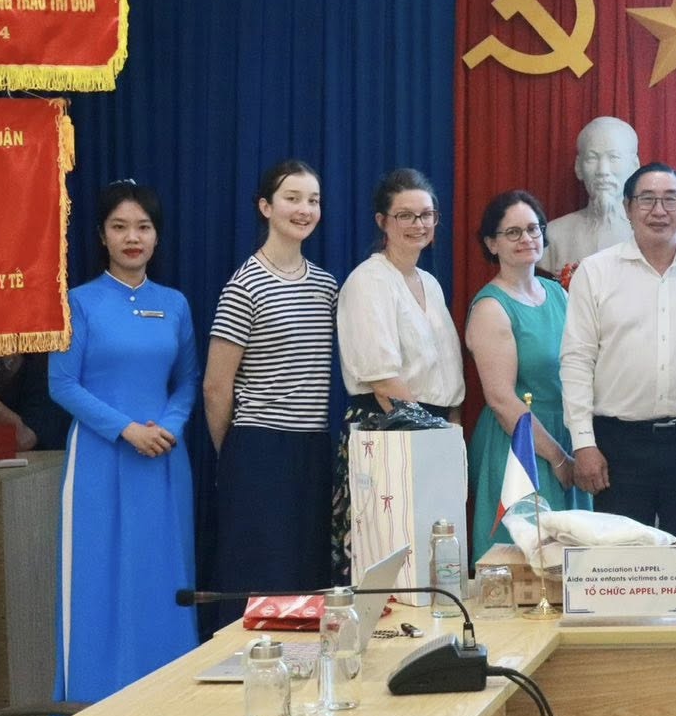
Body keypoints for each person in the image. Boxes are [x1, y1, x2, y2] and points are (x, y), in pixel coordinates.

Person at [47, 181, 198, 700]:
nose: (132, 237)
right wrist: (126, 429)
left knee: (161, 577)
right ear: (102, 236)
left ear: (157, 236)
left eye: (143, 227)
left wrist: (169, 426)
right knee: (97, 580)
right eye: (120, 227)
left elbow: (188, 381)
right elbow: (62, 384)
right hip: (99, 458)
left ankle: (168, 704)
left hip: (163, 458)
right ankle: (89, 703)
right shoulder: (78, 302)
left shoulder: (174, 304)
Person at [561, 162, 676, 567]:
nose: (659, 210)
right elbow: (577, 360)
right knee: (620, 568)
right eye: (647, 199)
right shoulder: (595, 272)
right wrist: (584, 443)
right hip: (618, 443)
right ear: (627, 207)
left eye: (671, 199)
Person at [203, 160, 339, 608]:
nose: (304, 209)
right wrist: (235, 453)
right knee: (259, 577)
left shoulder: (327, 287)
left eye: (313, 200)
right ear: (265, 207)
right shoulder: (244, 285)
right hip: (258, 447)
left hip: (313, 448)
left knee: (308, 575)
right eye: (292, 198)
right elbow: (216, 386)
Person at [335, 168, 466, 577]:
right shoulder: (368, 281)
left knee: (437, 564)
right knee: (390, 561)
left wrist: (450, 436)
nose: (418, 224)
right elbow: (384, 380)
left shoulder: (430, 283)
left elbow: (448, 380)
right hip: (389, 429)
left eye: (426, 214)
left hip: (435, 432)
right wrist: (435, 441)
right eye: (405, 215)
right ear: (382, 221)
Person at [466, 189, 585, 563]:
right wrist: (559, 459)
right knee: (524, 564)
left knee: (573, 563)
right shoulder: (491, 307)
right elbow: (502, 401)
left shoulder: (557, 293)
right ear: (492, 243)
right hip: (521, 447)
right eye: (513, 232)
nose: (527, 239)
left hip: (565, 435)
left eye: (533, 229)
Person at [541, 115, 639, 274]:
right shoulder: (554, 235)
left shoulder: (655, 233)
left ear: (634, 166)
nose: (602, 171)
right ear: (578, 167)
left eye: (614, 157)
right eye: (592, 158)